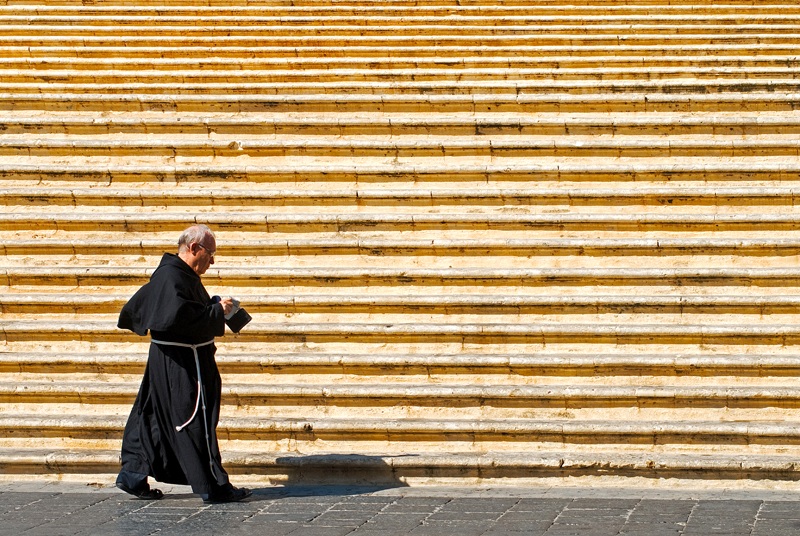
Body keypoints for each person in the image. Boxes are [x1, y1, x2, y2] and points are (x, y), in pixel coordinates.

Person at [115, 224, 251, 503]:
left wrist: (214, 306)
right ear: (193, 248)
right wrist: (216, 311)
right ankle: (214, 486)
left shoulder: (177, 275)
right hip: (183, 365)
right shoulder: (171, 277)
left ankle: (133, 474)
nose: (212, 261)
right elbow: (175, 319)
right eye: (210, 254)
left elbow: (179, 311)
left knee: (150, 416)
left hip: (166, 361)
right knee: (193, 420)